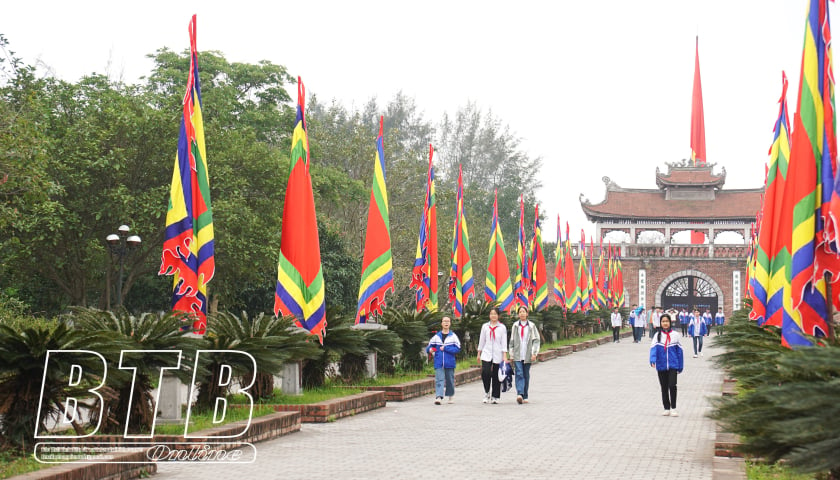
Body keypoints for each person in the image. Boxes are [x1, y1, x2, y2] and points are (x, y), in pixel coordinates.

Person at [649, 313, 684, 416]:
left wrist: (680, 365)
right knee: (664, 387)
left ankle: (673, 407)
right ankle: (666, 407)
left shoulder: (676, 335)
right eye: (663, 321)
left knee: (672, 385)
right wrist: (653, 359)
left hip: (673, 365)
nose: (665, 323)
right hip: (661, 365)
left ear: (670, 322)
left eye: (667, 321)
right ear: (660, 323)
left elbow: (680, 351)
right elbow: (653, 349)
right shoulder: (657, 335)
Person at [509, 305, 541, 404]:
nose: (522, 313)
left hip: (527, 354)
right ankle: (520, 394)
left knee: (526, 374)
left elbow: (536, 340)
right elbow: (512, 340)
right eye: (520, 312)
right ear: (518, 314)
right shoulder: (515, 326)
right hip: (518, 354)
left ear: (527, 314)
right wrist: (511, 354)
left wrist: (534, 353)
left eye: (524, 312)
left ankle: (525, 395)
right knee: (519, 373)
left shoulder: (531, 326)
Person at [426, 316, 461, 405]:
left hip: (449, 362)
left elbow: (457, 349)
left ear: (450, 323)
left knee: (449, 379)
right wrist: (430, 350)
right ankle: (439, 396)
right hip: (439, 361)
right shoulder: (436, 336)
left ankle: (450, 395)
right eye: (444, 321)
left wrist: (446, 348)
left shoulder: (453, 336)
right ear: (441, 323)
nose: (446, 323)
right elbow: (429, 347)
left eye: (448, 321)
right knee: (439, 379)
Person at [476, 306, 508, 404]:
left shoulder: (502, 327)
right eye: (491, 314)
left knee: (496, 375)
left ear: (498, 316)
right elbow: (482, 340)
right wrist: (479, 353)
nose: (493, 316)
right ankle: (486, 392)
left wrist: (504, 355)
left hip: (498, 353)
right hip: (487, 353)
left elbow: (503, 342)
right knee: (486, 372)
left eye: (495, 314)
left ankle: (495, 396)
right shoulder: (485, 326)